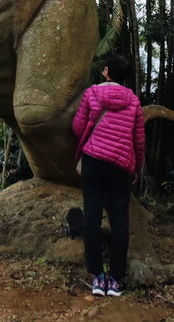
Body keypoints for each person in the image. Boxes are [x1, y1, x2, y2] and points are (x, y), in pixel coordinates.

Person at [72, 54, 145, 297]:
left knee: (92, 218)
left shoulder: (91, 93)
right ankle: (115, 280)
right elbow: (138, 140)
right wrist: (136, 167)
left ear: (105, 71)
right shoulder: (133, 101)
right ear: (125, 77)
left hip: (93, 161)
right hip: (121, 166)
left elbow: (78, 127)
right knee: (119, 220)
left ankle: (97, 277)